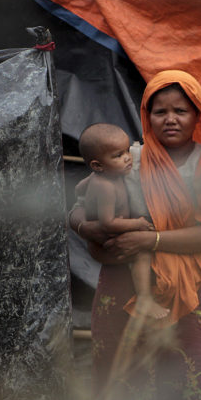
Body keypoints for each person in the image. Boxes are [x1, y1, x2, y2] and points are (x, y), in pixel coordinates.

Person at [69, 70, 201, 400]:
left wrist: (150, 240)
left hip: (178, 286)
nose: (170, 119)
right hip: (121, 280)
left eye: (181, 110)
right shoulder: (128, 158)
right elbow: (81, 204)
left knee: (185, 367)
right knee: (118, 369)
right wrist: (87, 228)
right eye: (160, 111)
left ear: (198, 115)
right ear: (147, 115)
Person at [77, 123, 169, 320]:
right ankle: (144, 299)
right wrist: (138, 224)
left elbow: (78, 188)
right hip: (106, 240)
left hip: (112, 232)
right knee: (142, 253)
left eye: (127, 150)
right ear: (97, 165)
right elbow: (107, 223)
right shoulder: (106, 187)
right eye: (118, 155)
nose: (127, 157)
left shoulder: (102, 175)